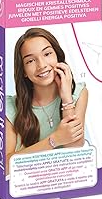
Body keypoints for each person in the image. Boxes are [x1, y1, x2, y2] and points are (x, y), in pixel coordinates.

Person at [5, 27, 88, 174]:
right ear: (23, 71)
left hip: (64, 178)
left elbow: (74, 148)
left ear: (58, 56)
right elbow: (6, 167)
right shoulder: (10, 107)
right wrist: (55, 139)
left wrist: (66, 98)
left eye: (47, 54)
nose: (41, 65)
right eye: (30, 60)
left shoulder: (78, 93)